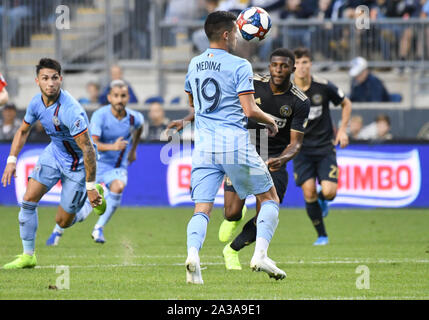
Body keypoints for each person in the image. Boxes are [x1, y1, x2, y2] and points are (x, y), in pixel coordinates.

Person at [167, 11, 285, 284]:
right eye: (234, 32)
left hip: (204, 146)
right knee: (269, 198)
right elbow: (249, 109)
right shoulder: (240, 65)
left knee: (202, 208)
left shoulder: (194, 64)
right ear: (225, 34)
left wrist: (188, 120)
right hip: (233, 143)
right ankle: (260, 255)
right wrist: (270, 122)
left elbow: (194, 104)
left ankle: (193, 255)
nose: (236, 36)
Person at [1, 58, 105, 269]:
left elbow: (88, 150)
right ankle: (28, 255)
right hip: (54, 154)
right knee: (28, 199)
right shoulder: (35, 103)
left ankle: (88, 204)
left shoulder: (71, 111)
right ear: (37, 81)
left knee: (63, 222)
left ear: (61, 79)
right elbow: (22, 131)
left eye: (55, 78)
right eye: (45, 78)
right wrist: (11, 160)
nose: (51, 83)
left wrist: (91, 186)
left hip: (78, 165)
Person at [218, 48, 310, 270]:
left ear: (292, 69)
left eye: (284, 66)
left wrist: (283, 158)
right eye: (274, 65)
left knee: (266, 215)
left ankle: (232, 250)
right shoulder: (253, 83)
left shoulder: (300, 102)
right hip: (243, 151)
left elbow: (295, 143)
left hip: (274, 159)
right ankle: (236, 216)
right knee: (230, 212)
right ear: (269, 66)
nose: (278, 70)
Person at [46, 80, 144, 245]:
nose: (120, 99)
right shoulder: (100, 115)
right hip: (95, 166)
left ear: (128, 98)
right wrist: (113, 146)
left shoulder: (135, 118)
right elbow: (92, 144)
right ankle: (58, 229)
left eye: (123, 96)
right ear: (109, 98)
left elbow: (140, 129)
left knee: (118, 186)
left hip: (116, 167)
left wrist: (133, 149)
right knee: (79, 209)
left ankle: (98, 228)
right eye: (116, 96)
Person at [292, 47, 352, 246]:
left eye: (305, 62)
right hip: (301, 150)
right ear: (292, 67)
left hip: (325, 147)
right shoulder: (287, 92)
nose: (301, 67)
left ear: (310, 64)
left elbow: (346, 103)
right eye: (297, 63)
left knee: (329, 192)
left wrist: (342, 130)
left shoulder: (323, 86)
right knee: (307, 191)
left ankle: (322, 199)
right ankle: (322, 235)